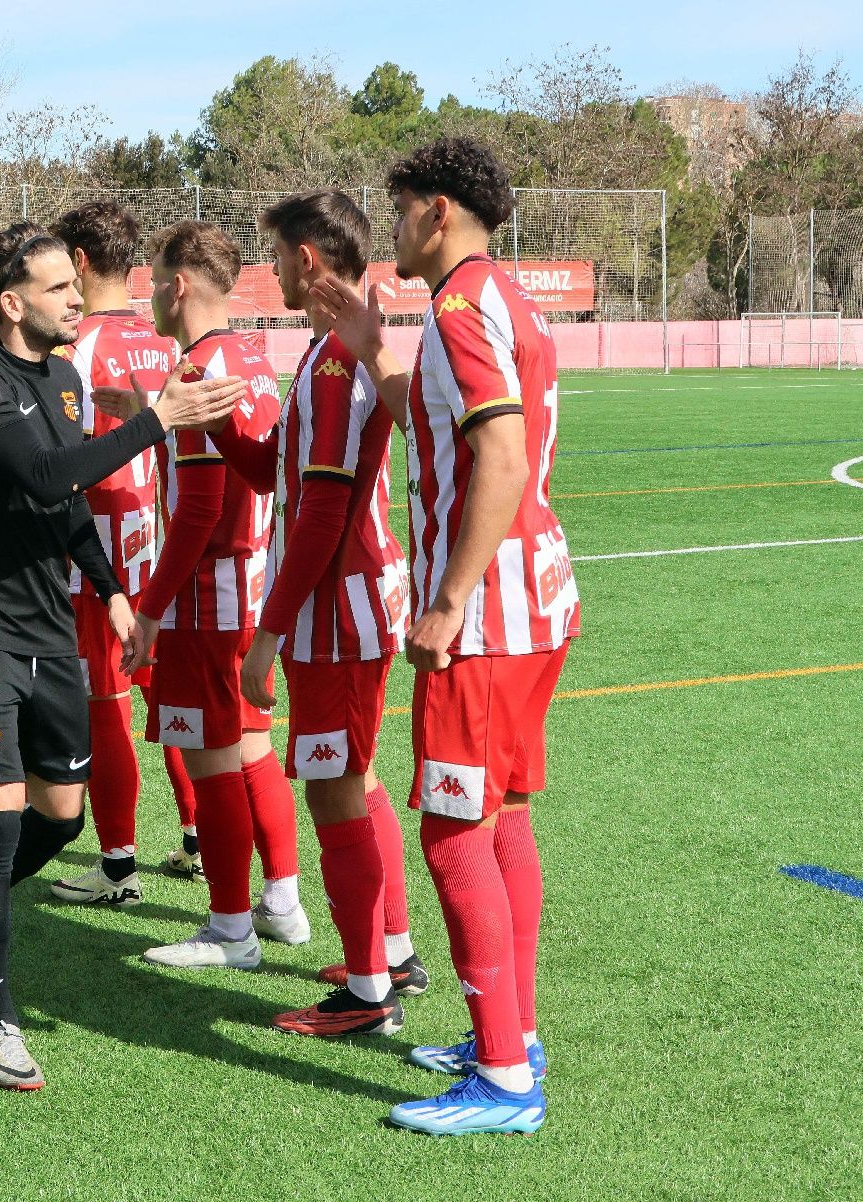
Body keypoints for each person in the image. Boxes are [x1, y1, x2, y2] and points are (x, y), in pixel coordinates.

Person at [0, 222, 243, 1090]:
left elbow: (64, 503)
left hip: (49, 627)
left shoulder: (63, 376)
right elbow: (43, 475)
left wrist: (107, 586)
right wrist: (157, 418)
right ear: (11, 302)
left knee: (61, 812)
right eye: (60, 285)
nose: (78, 296)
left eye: (75, 282)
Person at [315, 138, 577, 1137]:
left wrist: (449, 597)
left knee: (453, 829)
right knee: (501, 817)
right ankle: (512, 1033)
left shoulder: (463, 306)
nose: (390, 230)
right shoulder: (490, 298)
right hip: (534, 601)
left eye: (395, 211)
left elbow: (498, 459)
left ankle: (504, 1079)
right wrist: (374, 346)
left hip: (491, 617)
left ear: (432, 211)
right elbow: (437, 424)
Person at [208, 189, 421, 1038]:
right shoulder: (330, 353)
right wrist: (217, 427)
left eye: (274, 258)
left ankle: (370, 993)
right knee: (356, 782)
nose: (269, 276)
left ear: (307, 259)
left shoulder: (337, 361)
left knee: (335, 792)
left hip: (338, 609)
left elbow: (325, 514)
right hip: (348, 603)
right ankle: (391, 951)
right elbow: (280, 477)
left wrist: (265, 635)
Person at [98, 219, 306, 969]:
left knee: (214, 759)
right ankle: (281, 901)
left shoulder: (196, 370)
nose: (150, 293)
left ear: (179, 285)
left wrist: (149, 609)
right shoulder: (249, 355)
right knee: (251, 749)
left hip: (204, 598)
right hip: (248, 586)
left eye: (155, 279)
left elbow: (199, 507)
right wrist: (141, 418)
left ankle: (229, 930)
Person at [46, 200, 197, 908]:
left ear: (77, 262)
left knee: (104, 701)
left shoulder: (76, 350)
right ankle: (197, 835)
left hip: (97, 551)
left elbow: (66, 464)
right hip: (158, 542)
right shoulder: (162, 339)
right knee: (163, 694)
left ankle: (116, 865)